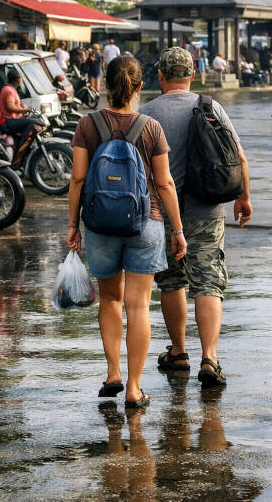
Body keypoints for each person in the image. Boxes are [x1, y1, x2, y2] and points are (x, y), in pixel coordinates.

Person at [67, 56, 187, 410]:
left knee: (110, 300)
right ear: (138, 87)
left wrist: (74, 225)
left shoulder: (87, 125)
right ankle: (135, 388)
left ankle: (113, 373)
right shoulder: (150, 128)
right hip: (145, 222)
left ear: (105, 84)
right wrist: (177, 229)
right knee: (138, 306)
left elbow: (77, 179)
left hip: (100, 225)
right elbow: (164, 183)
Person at [139, 47, 253, 389]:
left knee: (172, 281)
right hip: (207, 208)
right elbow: (239, 156)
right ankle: (210, 357)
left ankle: (178, 351)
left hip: (162, 214)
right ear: (192, 76)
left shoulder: (145, 114)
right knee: (209, 281)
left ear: (160, 75)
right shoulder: (210, 106)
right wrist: (244, 197)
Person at [0, 70, 37, 165]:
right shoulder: (9, 90)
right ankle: (22, 148)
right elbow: (10, 107)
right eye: (20, 78)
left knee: (27, 121)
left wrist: (23, 110)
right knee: (30, 123)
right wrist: (26, 110)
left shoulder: (9, 89)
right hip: (7, 122)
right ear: (17, 79)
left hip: (9, 121)